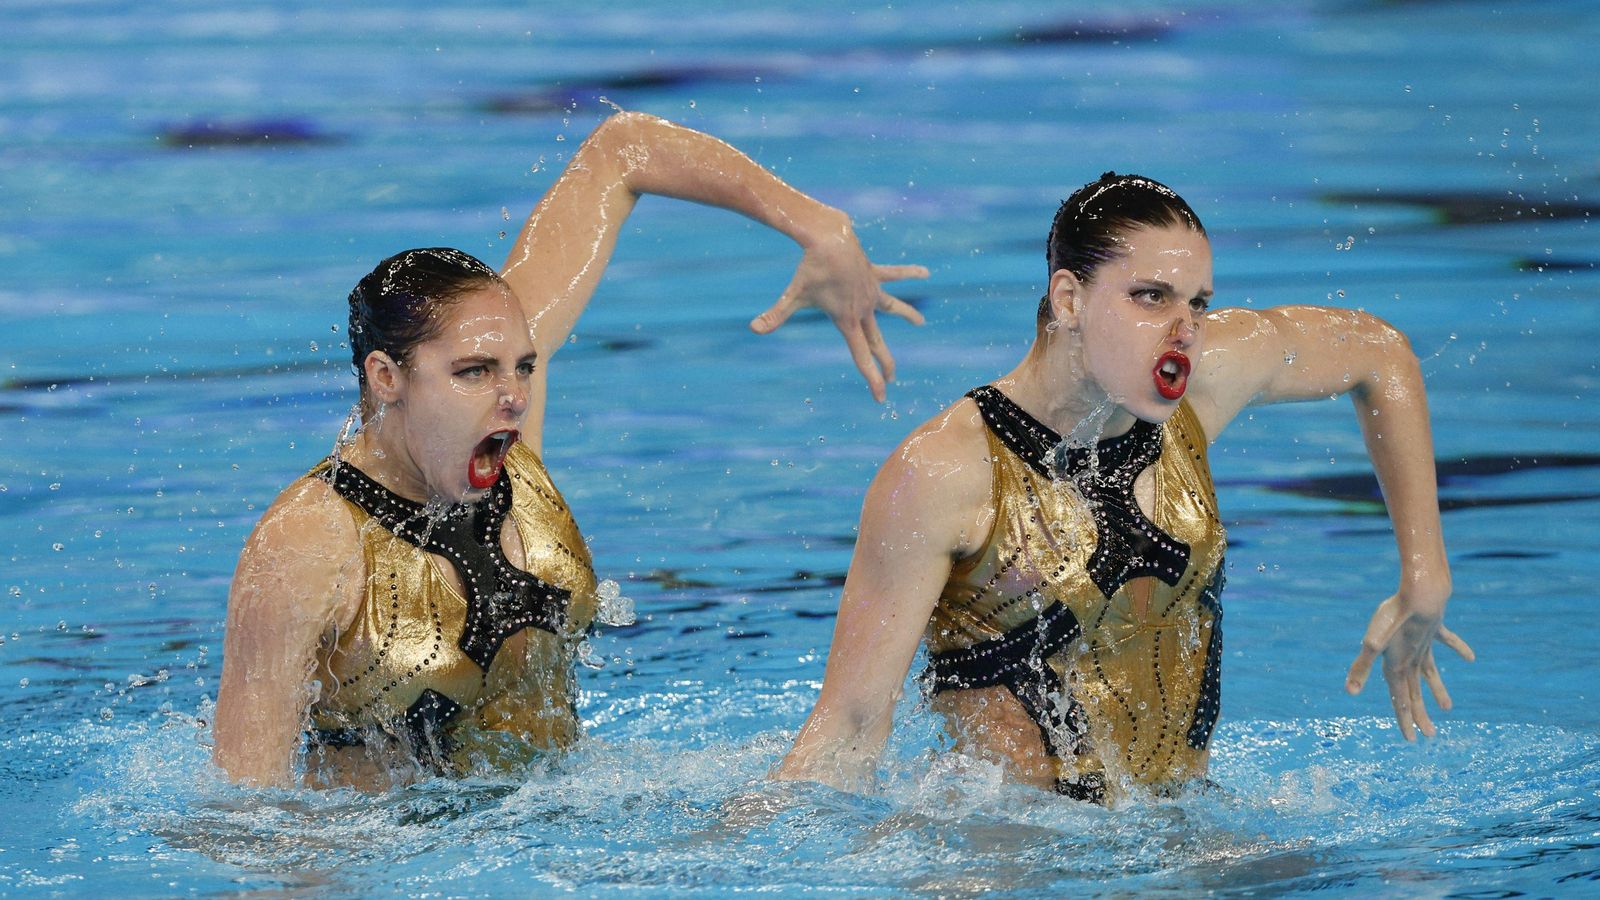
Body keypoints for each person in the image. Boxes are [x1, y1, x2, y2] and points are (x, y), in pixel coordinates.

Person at [213, 111, 927, 787]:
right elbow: (245, 814)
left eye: (524, 364)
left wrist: (819, 226)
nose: (515, 394)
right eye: (474, 372)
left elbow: (622, 150)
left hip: (559, 827)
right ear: (387, 376)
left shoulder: (498, 432)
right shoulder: (303, 548)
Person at [774, 172, 1473, 803]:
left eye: (1198, 303)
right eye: (1150, 298)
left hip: (1185, 830)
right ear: (1069, 297)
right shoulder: (943, 472)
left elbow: (1379, 353)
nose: (1185, 331)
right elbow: (850, 726)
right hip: (1015, 857)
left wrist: (1425, 574)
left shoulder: (1198, 391)